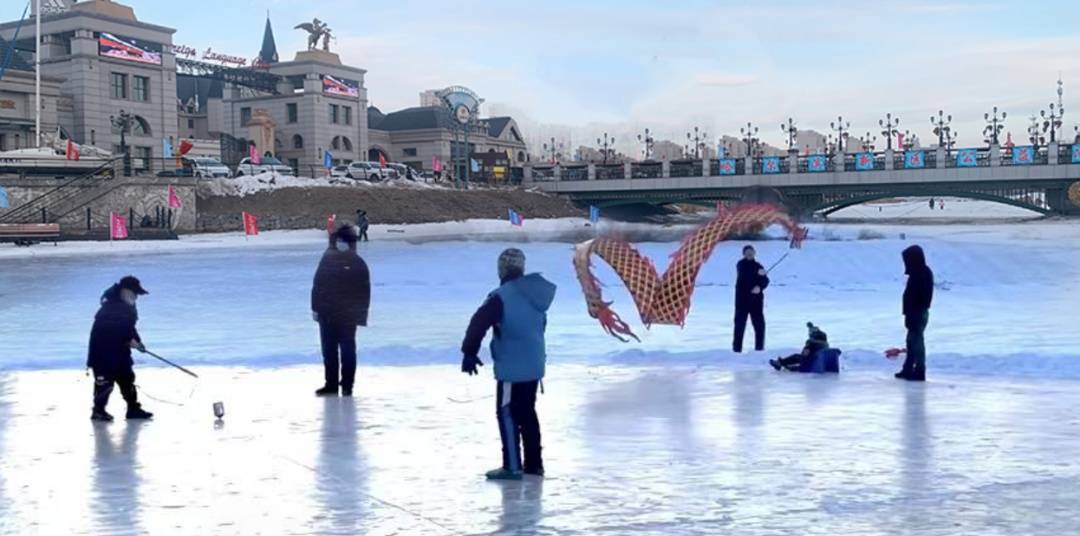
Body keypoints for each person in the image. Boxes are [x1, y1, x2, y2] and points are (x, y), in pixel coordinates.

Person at [461, 248, 556, 480]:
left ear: (501, 269)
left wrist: (469, 353)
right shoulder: (535, 295)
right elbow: (540, 326)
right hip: (534, 363)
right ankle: (534, 465)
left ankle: (512, 465)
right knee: (527, 413)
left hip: (512, 368)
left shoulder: (500, 296)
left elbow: (478, 323)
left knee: (507, 413)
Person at [311, 224, 371, 396]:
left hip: (347, 315)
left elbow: (364, 292)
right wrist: (316, 308)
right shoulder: (327, 259)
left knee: (347, 350)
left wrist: (360, 315)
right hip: (327, 313)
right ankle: (331, 384)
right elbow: (317, 285)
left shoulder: (357, 263)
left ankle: (347, 385)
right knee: (329, 350)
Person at [87, 276, 153, 422]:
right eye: (133, 293)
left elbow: (129, 328)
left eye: (137, 294)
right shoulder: (111, 307)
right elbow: (111, 330)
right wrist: (129, 340)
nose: (135, 297)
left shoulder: (128, 306)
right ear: (124, 291)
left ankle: (133, 409)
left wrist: (138, 342)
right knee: (105, 385)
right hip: (102, 354)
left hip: (120, 353)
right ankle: (98, 411)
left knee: (127, 380)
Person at [897, 245, 933, 381]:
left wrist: (913, 312)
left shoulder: (922, 273)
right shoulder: (917, 273)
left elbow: (921, 296)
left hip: (917, 313)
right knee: (911, 342)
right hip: (913, 313)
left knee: (917, 343)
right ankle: (908, 369)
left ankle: (919, 370)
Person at [733, 245, 769, 353]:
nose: (749, 254)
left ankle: (759, 349)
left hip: (756, 301)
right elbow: (745, 274)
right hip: (742, 301)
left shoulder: (759, 266)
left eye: (751, 252)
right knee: (739, 325)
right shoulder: (741, 264)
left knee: (759, 325)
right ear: (744, 254)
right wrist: (758, 273)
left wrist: (760, 286)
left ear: (754, 253)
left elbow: (766, 281)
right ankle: (737, 350)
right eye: (747, 252)